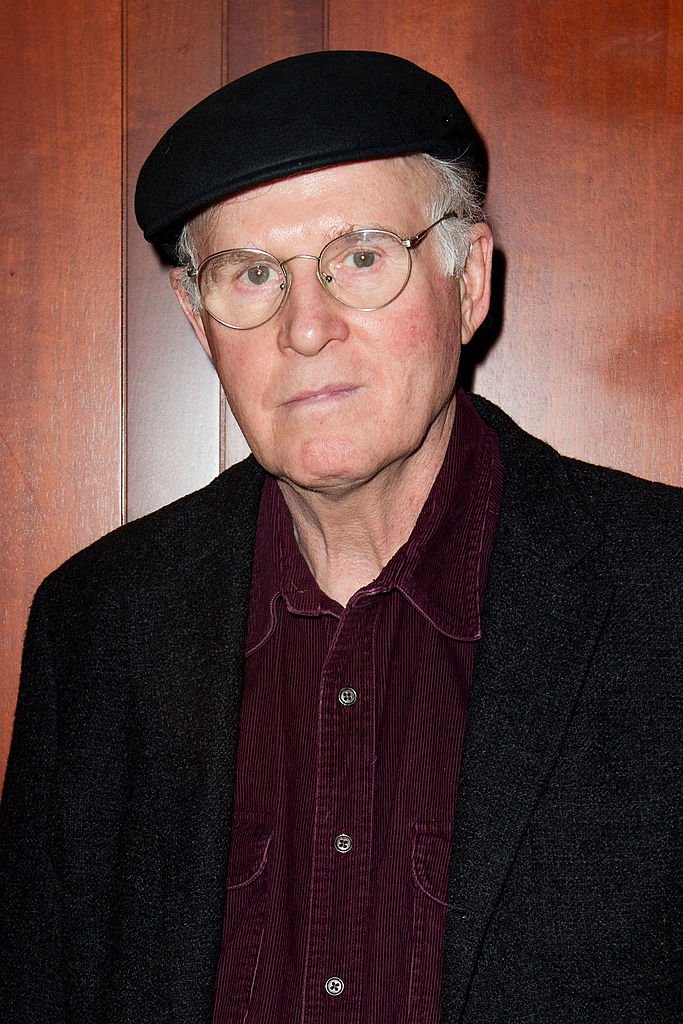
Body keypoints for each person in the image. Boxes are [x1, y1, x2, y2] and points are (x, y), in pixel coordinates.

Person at [0, 50, 680, 1024]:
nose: (304, 327)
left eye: (359, 257)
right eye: (251, 275)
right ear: (200, 322)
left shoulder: (662, 594)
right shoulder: (96, 625)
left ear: (469, 281)